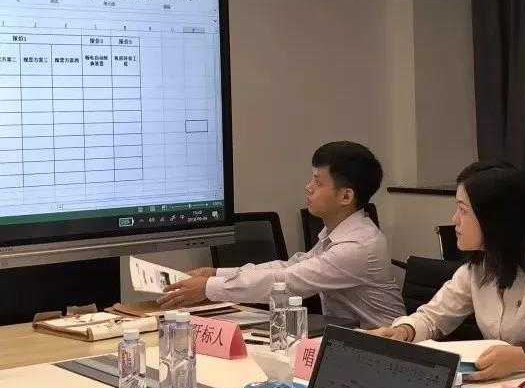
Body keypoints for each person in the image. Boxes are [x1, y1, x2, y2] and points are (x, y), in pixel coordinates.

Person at [370, 161, 525, 381]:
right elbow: (432, 317)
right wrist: (404, 331)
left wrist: (524, 358)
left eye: (463, 210)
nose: (454, 220)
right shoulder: (477, 268)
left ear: (494, 217)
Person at [157, 141, 406, 329]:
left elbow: (288, 282)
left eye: (318, 182)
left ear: (346, 196)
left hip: (383, 349)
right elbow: (289, 266)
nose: (308, 187)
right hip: (346, 338)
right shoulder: (338, 234)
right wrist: (216, 273)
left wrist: (209, 287)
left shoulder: (358, 245)